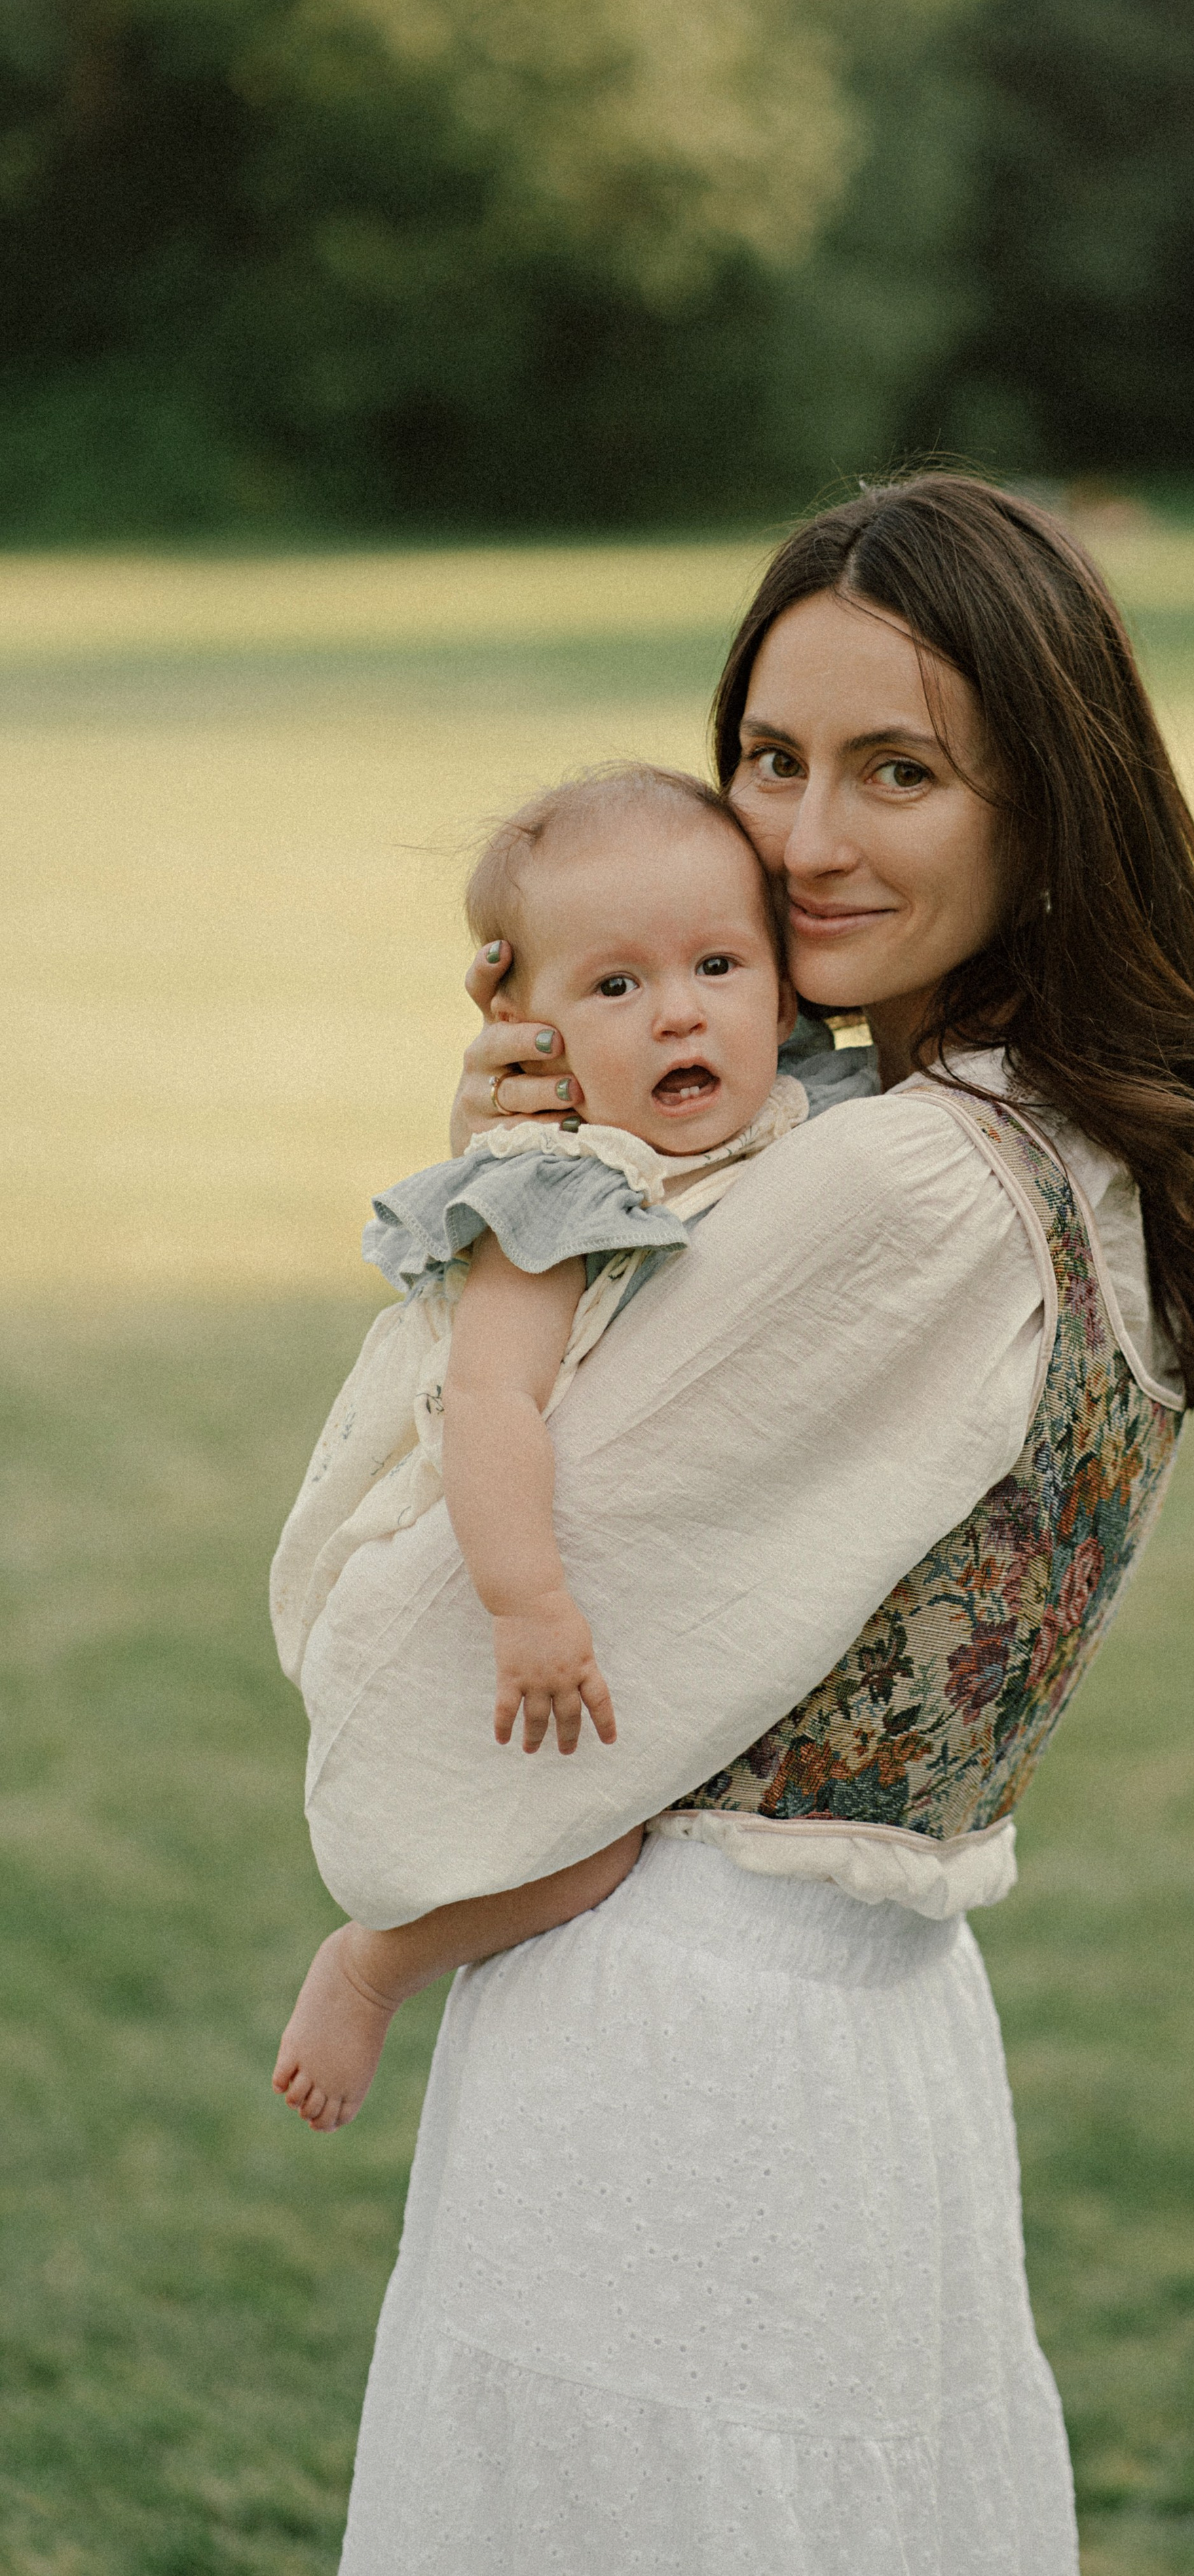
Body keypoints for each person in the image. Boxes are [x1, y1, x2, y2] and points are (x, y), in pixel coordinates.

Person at [303, 473, 1194, 2575]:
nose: (805, 839)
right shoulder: (1063, 1147)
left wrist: (490, 1263)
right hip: (874, 2036)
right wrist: (551, 1198)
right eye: (769, 759)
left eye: (899, 771)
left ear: (1050, 806)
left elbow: (392, 1672)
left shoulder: (900, 1184)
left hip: (681, 2050)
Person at [269, 763, 876, 2131]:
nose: (677, 1011)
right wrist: (527, 1603)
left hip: (692, 1562)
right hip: (503, 1546)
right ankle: (375, 1965)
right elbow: (489, 1400)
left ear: (784, 993)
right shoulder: (563, 1189)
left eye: (716, 965)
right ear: (530, 1035)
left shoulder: (825, 1114)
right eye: (614, 986)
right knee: (596, 1846)